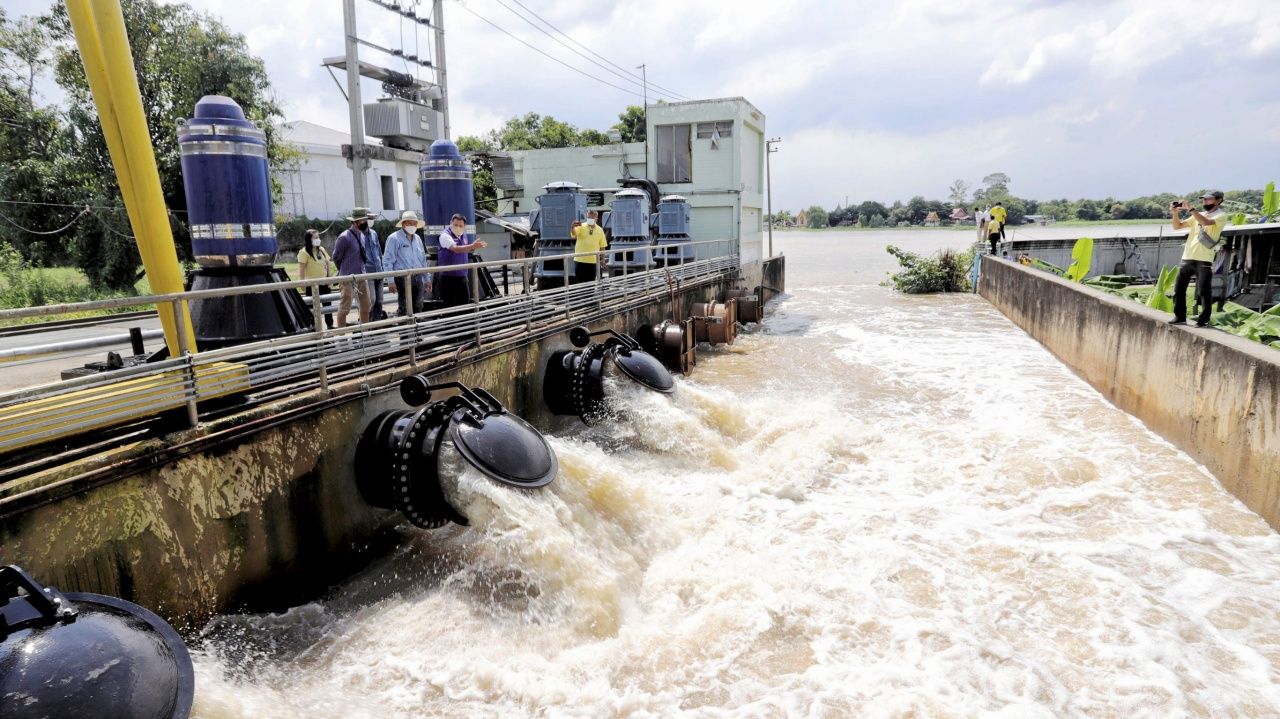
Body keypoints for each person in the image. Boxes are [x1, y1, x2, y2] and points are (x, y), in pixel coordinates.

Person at [1169, 190, 1229, 327]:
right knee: (1178, 289)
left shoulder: (1221, 215)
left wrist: (1190, 208)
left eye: (1209, 200)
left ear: (1218, 200)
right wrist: (1175, 213)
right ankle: (1179, 317)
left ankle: (1204, 320)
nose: (1205, 202)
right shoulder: (1198, 214)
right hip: (1187, 256)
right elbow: (1177, 226)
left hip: (1204, 259)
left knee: (1203, 291)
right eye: (1204, 200)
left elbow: (1206, 222)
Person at [383, 210, 429, 316]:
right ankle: (406, 331)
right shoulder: (394, 238)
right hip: (402, 277)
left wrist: (426, 279)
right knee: (405, 306)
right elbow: (388, 260)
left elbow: (422, 260)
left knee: (418, 305)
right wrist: (390, 281)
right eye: (409, 223)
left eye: (414, 223)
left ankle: (417, 331)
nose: (412, 226)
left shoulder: (417, 239)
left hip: (418, 276)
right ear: (403, 224)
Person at [333, 208, 373, 326]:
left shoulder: (363, 236)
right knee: (345, 307)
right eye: (362, 221)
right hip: (347, 277)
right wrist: (343, 271)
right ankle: (341, 336)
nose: (365, 222)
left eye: (365, 220)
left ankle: (365, 333)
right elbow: (336, 257)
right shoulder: (344, 237)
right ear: (354, 222)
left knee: (366, 306)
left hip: (361, 274)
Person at [437, 213, 487, 307]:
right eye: (455, 225)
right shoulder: (445, 235)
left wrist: (473, 247)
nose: (458, 227)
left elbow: (465, 249)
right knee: (450, 307)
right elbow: (455, 249)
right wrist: (472, 246)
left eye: (460, 226)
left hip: (462, 276)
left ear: (464, 226)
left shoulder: (463, 235)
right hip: (449, 277)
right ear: (450, 223)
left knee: (464, 304)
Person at [296, 229, 334, 329]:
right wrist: (302, 284)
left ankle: (330, 325)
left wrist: (329, 279)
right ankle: (314, 328)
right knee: (313, 309)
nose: (318, 239)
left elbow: (327, 264)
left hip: (324, 283)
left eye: (318, 237)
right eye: (315, 238)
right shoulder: (304, 252)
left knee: (328, 306)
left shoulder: (321, 249)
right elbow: (301, 270)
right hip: (312, 285)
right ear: (309, 239)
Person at [358, 211, 386, 320]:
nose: (371, 220)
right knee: (371, 300)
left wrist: (382, 267)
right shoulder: (358, 235)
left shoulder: (374, 233)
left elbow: (378, 251)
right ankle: (366, 323)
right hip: (367, 271)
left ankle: (376, 324)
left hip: (378, 270)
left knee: (379, 300)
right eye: (368, 218)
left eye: (372, 218)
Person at [571, 210, 608, 283]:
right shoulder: (581, 226)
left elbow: (602, 246)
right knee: (580, 283)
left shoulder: (600, 230)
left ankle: (591, 295)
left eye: (591, 218)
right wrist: (572, 227)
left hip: (593, 261)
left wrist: (603, 259)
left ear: (596, 218)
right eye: (588, 217)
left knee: (591, 283)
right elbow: (574, 234)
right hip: (579, 260)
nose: (589, 219)